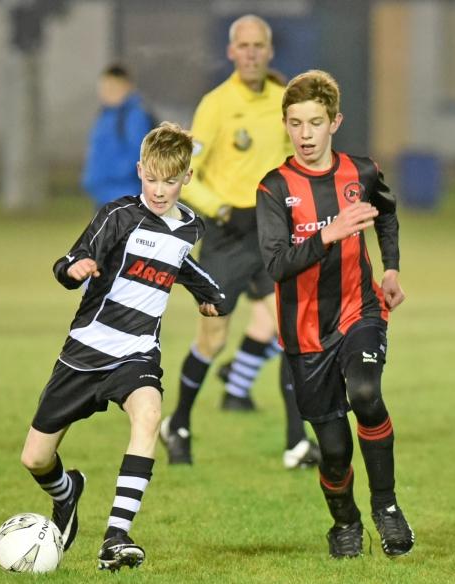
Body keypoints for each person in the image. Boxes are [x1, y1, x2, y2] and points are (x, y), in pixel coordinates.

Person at [19, 122, 226, 572]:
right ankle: (67, 493)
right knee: (35, 458)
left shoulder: (191, 226)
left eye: (169, 181)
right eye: (151, 179)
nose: (159, 190)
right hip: (86, 351)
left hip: (137, 352)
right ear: (139, 171)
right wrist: (74, 270)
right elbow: (69, 259)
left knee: (148, 414)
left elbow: (179, 264)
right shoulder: (118, 215)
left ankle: (116, 537)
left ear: (187, 178)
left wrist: (211, 294)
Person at [256, 70, 415, 559]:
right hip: (304, 331)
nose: (305, 134)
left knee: (366, 394)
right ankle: (345, 522)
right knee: (334, 451)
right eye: (296, 123)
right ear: (285, 124)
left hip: (358, 310)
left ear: (335, 123)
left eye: (315, 123)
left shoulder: (361, 173)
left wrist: (390, 269)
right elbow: (277, 264)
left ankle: (387, 508)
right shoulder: (274, 188)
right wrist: (330, 233)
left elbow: (386, 213)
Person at [161, 14, 320, 469]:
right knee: (212, 340)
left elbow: (295, 164)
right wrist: (220, 208)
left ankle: (296, 443)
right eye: (243, 46)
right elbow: (186, 175)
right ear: (231, 52)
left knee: (292, 336)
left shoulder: (284, 102)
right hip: (227, 235)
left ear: (270, 51)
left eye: (258, 45)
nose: (251, 53)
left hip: (271, 233)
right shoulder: (216, 104)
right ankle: (178, 424)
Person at [81, 64, 155, 210]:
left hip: (123, 194)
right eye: (104, 88)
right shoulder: (106, 115)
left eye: (112, 88)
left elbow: (138, 153)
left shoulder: (134, 116)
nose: (106, 93)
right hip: (104, 195)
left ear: (127, 87)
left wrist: (112, 176)